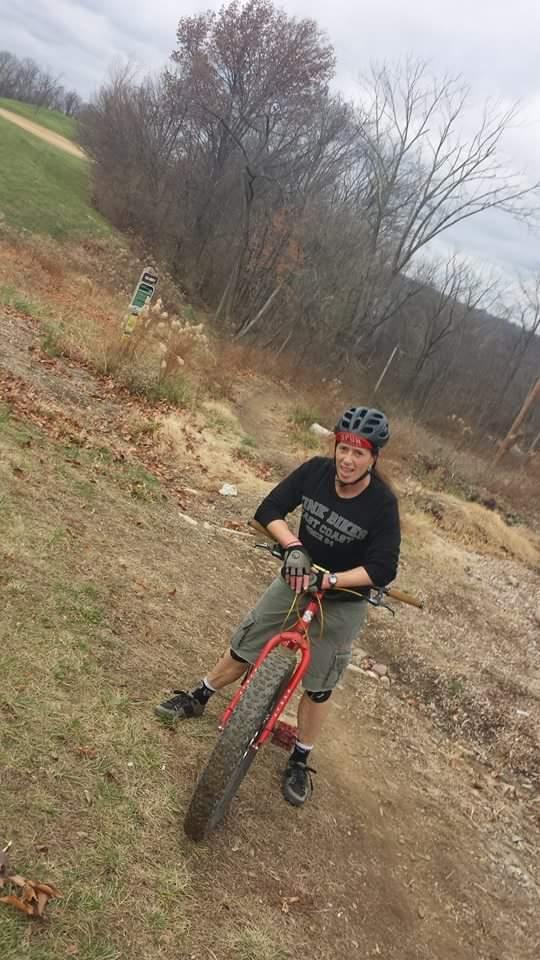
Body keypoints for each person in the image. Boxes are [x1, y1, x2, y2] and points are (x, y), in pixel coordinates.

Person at [155, 406, 400, 806]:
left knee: (320, 686)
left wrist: (331, 580)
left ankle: (301, 759)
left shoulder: (382, 503)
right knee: (245, 644)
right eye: (344, 448)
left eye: (359, 453)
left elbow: (382, 567)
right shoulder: (316, 472)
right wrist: (294, 547)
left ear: (374, 458)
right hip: (296, 579)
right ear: (336, 446)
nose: (347, 459)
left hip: (343, 598)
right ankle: (198, 696)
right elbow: (269, 509)